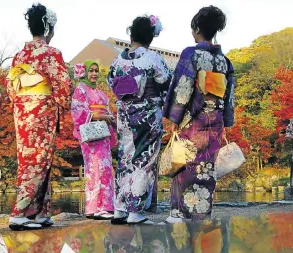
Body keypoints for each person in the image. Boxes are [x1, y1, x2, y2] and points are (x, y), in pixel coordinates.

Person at [162, 6, 235, 222]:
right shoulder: (224, 60)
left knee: (184, 164)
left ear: (196, 28)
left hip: (192, 121)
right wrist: (227, 120)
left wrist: (174, 118)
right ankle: (202, 213)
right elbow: (229, 95)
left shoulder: (191, 54)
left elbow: (183, 88)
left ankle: (179, 213)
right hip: (214, 121)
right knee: (206, 166)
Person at [6, 4, 71, 230]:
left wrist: (23, 103)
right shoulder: (51, 54)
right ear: (48, 28)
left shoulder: (19, 55)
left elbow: (11, 87)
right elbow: (63, 85)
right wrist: (63, 102)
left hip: (22, 112)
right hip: (42, 111)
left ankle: (41, 212)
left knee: (31, 160)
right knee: (38, 160)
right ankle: (19, 212)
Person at [107, 15, 172, 225]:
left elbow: (111, 82)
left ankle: (119, 208)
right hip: (147, 114)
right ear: (150, 36)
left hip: (125, 113)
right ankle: (135, 210)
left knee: (125, 157)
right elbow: (166, 82)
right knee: (144, 158)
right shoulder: (152, 59)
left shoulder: (117, 59)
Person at [71, 61, 116, 220]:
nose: (94, 74)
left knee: (105, 169)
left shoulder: (99, 92)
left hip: (102, 134)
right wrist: (100, 116)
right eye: (91, 71)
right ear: (85, 72)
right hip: (90, 134)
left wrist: (110, 119)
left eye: (96, 71)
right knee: (94, 169)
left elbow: (108, 110)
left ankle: (104, 207)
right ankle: (96, 207)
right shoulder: (80, 89)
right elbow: (78, 112)